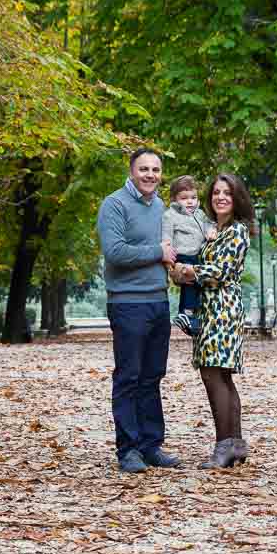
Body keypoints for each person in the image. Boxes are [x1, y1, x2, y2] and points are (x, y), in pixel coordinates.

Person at [96, 148, 180, 473]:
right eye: (143, 169)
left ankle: (150, 445)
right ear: (132, 171)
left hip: (158, 301)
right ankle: (128, 449)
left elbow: (172, 249)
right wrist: (157, 251)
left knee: (152, 376)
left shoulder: (160, 207)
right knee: (129, 376)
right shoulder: (114, 204)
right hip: (127, 303)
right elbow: (115, 252)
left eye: (155, 170)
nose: (150, 175)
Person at [174, 173, 255, 469]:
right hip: (208, 309)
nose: (220, 197)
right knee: (221, 376)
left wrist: (189, 272)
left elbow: (220, 271)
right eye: (216, 192)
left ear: (237, 199)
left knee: (212, 374)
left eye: (227, 193)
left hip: (223, 310)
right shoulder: (211, 229)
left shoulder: (237, 231)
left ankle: (223, 447)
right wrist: (182, 269)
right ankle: (235, 443)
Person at [162, 175, 216, 337]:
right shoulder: (170, 215)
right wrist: (168, 256)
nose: (190, 201)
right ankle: (185, 313)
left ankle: (192, 313)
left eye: (193, 197)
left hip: (198, 254)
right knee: (190, 284)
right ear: (174, 199)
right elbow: (166, 236)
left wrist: (210, 231)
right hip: (183, 255)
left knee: (199, 284)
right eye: (184, 198)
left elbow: (208, 224)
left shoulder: (200, 214)